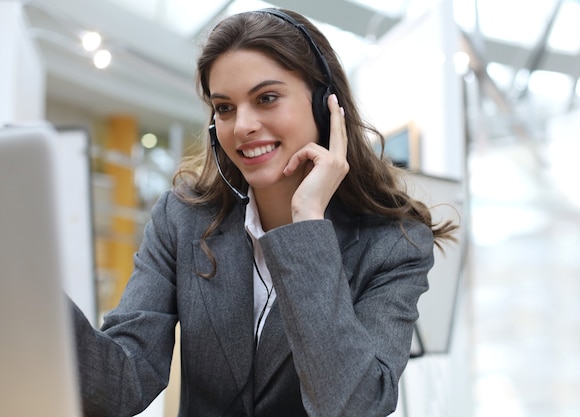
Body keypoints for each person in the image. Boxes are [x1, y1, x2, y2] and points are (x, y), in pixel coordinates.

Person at [70, 7, 457, 417]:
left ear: (326, 106)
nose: (242, 126)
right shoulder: (182, 219)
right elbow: (122, 385)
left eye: (266, 98)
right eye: (225, 108)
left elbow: (352, 406)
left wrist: (307, 222)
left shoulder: (394, 244)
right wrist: (33, 296)